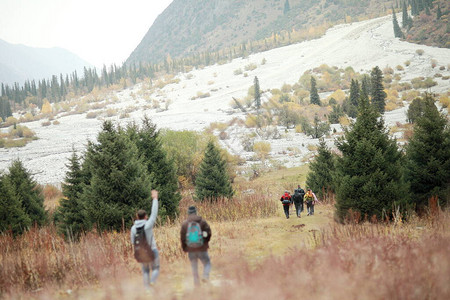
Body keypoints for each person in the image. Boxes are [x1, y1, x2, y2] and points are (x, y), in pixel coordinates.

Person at [131, 190, 160, 290]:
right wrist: (155, 198)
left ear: (137, 217)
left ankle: (147, 290)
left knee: (145, 271)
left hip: (141, 252)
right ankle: (152, 282)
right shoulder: (148, 225)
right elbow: (154, 212)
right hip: (152, 250)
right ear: (145, 217)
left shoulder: (133, 228)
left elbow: (132, 242)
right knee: (155, 268)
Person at [180, 206, 212, 287]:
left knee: (194, 267)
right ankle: (205, 276)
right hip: (202, 248)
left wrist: (185, 248)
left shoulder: (185, 224)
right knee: (207, 263)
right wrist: (205, 243)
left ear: (188, 213)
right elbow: (208, 233)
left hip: (191, 249)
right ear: (196, 212)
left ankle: (196, 285)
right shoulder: (202, 222)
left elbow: (182, 238)